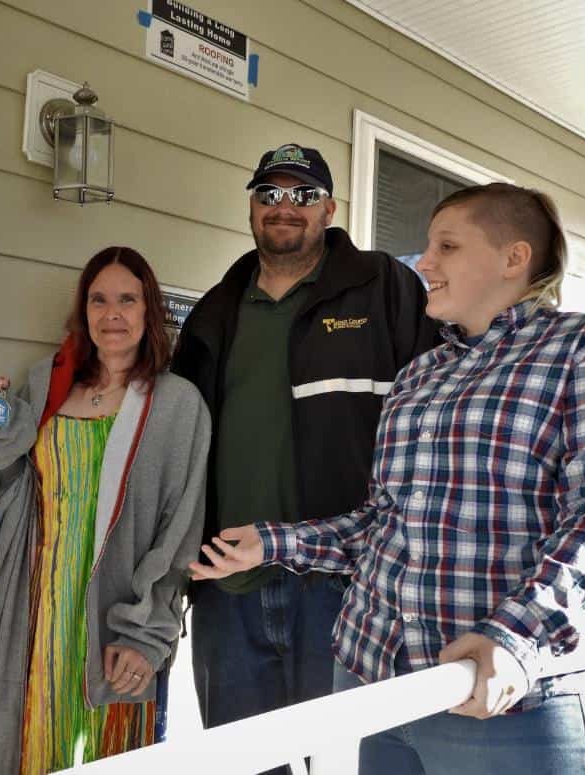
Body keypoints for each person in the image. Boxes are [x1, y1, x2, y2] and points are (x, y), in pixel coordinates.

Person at [190, 182, 585, 774]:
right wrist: (273, 543)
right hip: (380, 688)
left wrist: (520, 638)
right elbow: (383, 523)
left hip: (502, 701)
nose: (426, 264)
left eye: (448, 247)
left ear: (513, 258)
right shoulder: (420, 375)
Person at [171, 143, 438, 768]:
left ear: (329, 209)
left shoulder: (383, 287)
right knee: (243, 762)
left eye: (302, 195)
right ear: (252, 208)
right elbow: (170, 421)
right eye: (269, 194)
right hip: (228, 585)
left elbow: (442, 406)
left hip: (346, 585)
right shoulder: (217, 309)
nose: (283, 207)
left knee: (346, 759)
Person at [0, 246, 211, 775]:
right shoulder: (50, 382)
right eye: (99, 299)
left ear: (148, 310)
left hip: (113, 615)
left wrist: (146, 635)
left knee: (104, 750)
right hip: (35, 606)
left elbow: (179, 534)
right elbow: (11, 472)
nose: (111, 313)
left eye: (127, 299)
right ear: (83, 309)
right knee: (26, 740)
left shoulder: (178, 404)